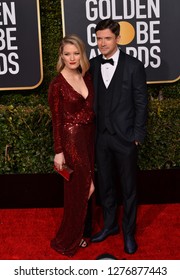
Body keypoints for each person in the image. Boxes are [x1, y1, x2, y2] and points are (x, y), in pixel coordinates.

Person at [90, 19, 148, 254]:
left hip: (125, 138)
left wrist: (137, 134)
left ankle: (129, 233)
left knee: (128, 188)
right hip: (100, 137)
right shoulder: (92, 64)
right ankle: (110, 225)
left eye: (107, 38)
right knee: (105, 185)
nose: (102, 43)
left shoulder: (133, 65)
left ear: (118, 39)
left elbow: (141, 103)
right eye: (99, 38)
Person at [48, 34, 95, 256]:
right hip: (71, 142)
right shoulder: (57, 84)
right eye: (67, 54)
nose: (72, 57)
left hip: (88, 139)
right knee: (84, 188)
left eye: (76, 53)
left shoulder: (86, 77)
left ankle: (81, 234)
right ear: (62, 56)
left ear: (81, 54)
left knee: (85, 187)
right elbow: (56, 120)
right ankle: (69, 237)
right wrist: (58, 152)